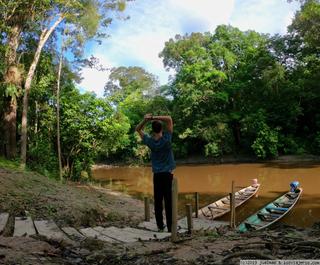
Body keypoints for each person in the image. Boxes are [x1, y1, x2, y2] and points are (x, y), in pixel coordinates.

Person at [135, 113, 176, 232]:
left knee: (158, 201)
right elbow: (169, 119)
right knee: (169, 201)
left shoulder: (150, 142)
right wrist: (153, 118)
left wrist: (145, 120)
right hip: (168, 174)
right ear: (161, 129)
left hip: (157, 175)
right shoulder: (167, 139)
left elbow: (137, 129)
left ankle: (160, 226)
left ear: (153, 130)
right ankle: (170, 227)